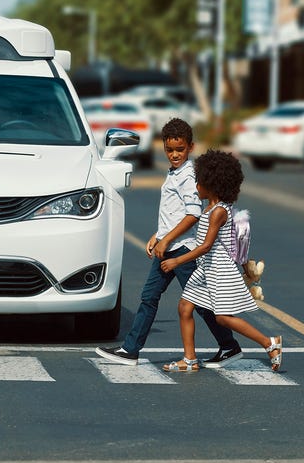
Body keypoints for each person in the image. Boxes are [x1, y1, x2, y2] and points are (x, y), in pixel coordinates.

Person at [95, 119, 243, 368]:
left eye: (180, 150)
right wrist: (158, 234)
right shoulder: (174, 172)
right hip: (169, 245)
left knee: (200, 304)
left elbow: (192, 214)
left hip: (182, 249)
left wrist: (168, 238)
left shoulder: (188, 176)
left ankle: (229, 345)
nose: (175, 154)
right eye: (170, 150)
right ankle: (130, 350)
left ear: (190, 147)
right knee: (150, 297)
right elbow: (172, 213)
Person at [159, 150, 282, 373]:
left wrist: (177, 261)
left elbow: (205, 246)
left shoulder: (218, 212)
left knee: (223, 318)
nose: (196, 186)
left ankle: (269, 343)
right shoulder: (210, 209)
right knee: (185, 307)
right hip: (205, 269)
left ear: (212, 184)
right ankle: (189, 360)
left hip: (219, 269)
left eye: (199, 182)